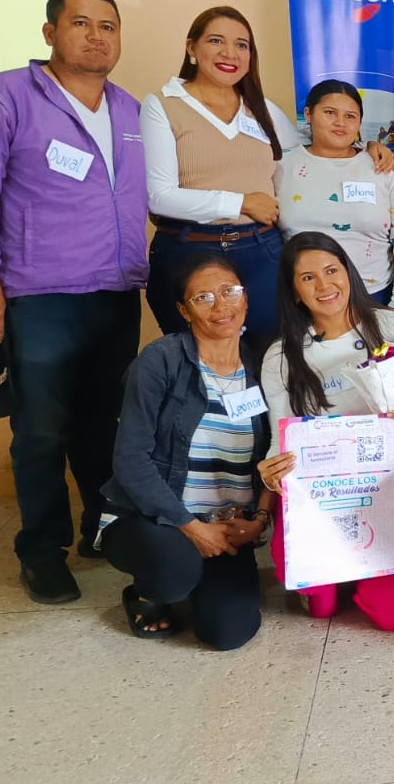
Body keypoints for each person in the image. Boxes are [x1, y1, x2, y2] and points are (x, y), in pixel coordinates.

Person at [0, 0, 146, 603]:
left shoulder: (130, 110)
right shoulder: (2, 97)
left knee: (101, 422)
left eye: (108, 26)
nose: (96, 36)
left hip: (114, 291)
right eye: (81, 23)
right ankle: (40, 551)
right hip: (38, 294)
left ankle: (98, 529)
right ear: (50, 32)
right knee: (40, 429)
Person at [142, 7, 394, 346]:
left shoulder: (262, 109)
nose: (230, 53)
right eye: (216, 41)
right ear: (192, 48)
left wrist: (367, 149)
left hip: (260, 251)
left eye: (242, 45)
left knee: (270, 352)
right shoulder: (163, 105)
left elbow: (318, 146)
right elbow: (159, 197)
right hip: (190, 249)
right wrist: (241, 203)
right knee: (197, 355)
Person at [256, 234, 394, 630]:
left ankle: (370, 575)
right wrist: (272, 475)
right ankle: (345, 574)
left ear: (349, 272)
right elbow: (279, 437)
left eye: (331, 271)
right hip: (322, 493)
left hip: (390, 482)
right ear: (294, 290)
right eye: (308, 278)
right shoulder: (281, 356)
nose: (324, 286)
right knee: (320, 604)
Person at [98, 254, 269, 649]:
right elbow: (130, 459)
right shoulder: (160, 361)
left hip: (226, 525)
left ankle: (195, 580)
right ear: (183, 311)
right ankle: (149, 593)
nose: (221, 305)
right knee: (175, 569)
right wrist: (191, 527)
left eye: (229, 291)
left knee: (228, 633)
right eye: (202, 298)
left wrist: (259, 521)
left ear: (245, 297)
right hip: (153, 519)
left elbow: (278, 451)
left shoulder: (265, 362)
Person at [275, 79, 394, 313]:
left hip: (372, 296)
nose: (340, 123)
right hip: (300, 302)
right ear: (308, 114)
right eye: (330, 112)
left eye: (350, 116)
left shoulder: (382, 167)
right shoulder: (281, 166)